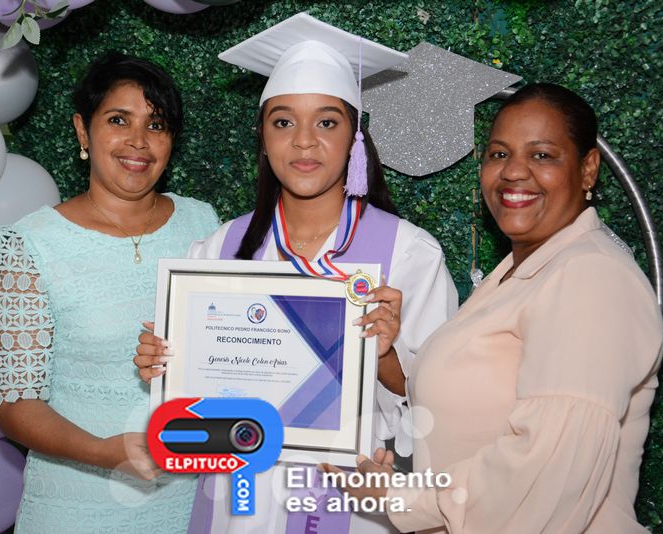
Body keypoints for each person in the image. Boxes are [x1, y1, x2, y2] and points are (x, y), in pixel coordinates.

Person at [133, 13, 458, 534]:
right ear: (262, 137)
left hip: (351, 501)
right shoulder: (222, 249)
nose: (304, 142)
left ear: (355, 138)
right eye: (283, 122)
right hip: (237, 500)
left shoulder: (408, 254)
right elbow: (199, 414)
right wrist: (170, 369)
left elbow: (444, 410)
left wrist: (385, 357)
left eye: (327, 122)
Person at [323, 83, 663, 533]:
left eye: (542, 155)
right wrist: (386, 354)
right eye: (499, 154)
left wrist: (402, 497)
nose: (514, 172)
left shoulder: (590, 277)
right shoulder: (521, 273)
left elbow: (546, 471)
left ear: (588, 169)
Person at [0, 52, 220, 533]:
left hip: (193, 501)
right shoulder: (31, 244)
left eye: (156, 124)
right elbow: (16, 405)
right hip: (76, 505)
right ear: (82, 130)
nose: (139, 141)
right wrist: (104, 452)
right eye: (118, 120)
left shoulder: (204, 223)